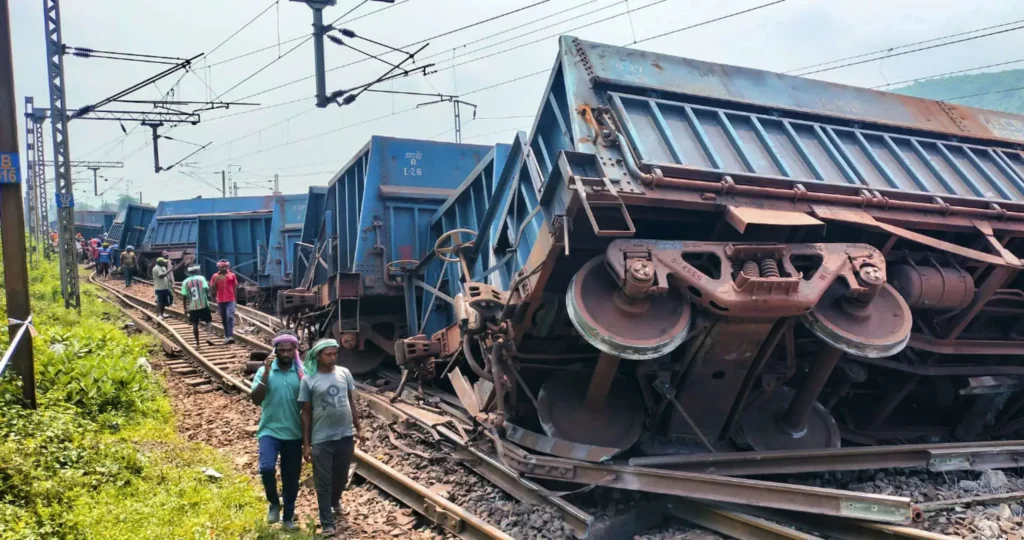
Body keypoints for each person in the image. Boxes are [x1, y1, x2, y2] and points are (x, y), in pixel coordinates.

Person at [299, 338, 362, 538]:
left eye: (335, 354)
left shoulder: (344, 373)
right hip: (322, 438)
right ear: (318, 356)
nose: (333, 357)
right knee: (323, 481)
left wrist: (359, 428)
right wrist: (306, 444)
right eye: (329, 354)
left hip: (345, 435)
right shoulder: (308, 379)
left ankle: (335, 501)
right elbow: (306, 413)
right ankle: (327, 521)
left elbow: (351, 403)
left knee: (342, 477)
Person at [251, 332, 305, 531]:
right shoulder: (265, 371)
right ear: (275, 351)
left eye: (289, 350)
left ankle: (288, 517)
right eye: (281, 350)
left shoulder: (301, 373)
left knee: (291, 477)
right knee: (266, 468)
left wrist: (307, 440)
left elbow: (308, 408)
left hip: (294, 433)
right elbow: (256, 399)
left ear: (294, 352)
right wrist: (265, 372)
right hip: (269, 431)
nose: (285, 354)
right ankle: (274, 503)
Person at [180, 265, 215, 348]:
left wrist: (185, 308)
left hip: (193, 306)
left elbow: (184, 296)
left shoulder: (185, 282)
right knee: (208, 321)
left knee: (195, 324)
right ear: (196, 271)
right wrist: (205, 296)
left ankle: (197, 343)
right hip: (203, 304)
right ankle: (209, 337)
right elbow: (206, 288)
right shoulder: (201, 278)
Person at [209, 259, 239, 344]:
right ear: (218, 267)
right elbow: (212, 289)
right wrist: (216, 281)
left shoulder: (232, 275)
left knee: (230, 317)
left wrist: (235, 300)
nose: (224, 268)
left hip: (230, 300)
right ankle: (226, 336)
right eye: (222, 267)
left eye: (225, 267)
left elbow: (235, 287)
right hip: (221, 300)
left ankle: (230, 336)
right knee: (224, 318)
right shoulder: (215, 276)